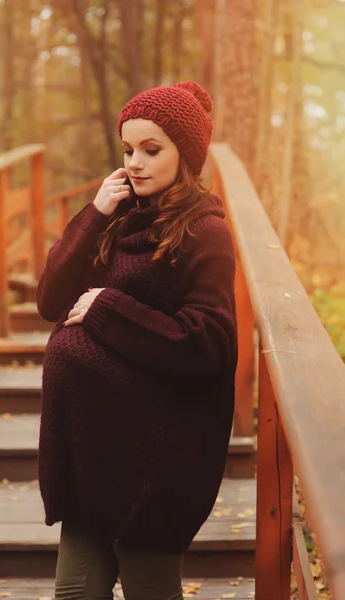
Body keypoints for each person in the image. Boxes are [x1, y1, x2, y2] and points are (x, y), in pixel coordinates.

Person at [36, 80, 238, 600]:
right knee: (75, 594)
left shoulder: (205, 230)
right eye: (128, 150)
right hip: (88, 458)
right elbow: (50, 301)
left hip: (153, 465)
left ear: (185, 153)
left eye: (152, 149)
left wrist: (108, 308)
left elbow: (208, 342)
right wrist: (94, 214)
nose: (136, 163)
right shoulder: (117, 218)